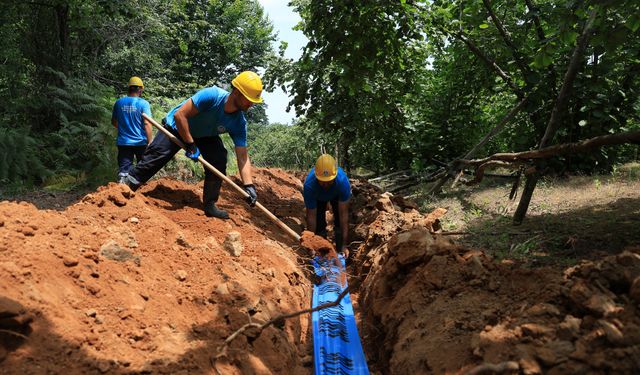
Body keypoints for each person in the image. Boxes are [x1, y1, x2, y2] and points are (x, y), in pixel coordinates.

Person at [123, 71, 262, 219]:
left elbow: (242, 157)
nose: (251, 104)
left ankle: (209, 204)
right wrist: (190, 144)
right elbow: (180, 115)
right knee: (157, 155)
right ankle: (126, 186)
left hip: (204, 135)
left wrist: (249, 185)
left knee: (218, 159)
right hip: (177, 126)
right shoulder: (212, 96)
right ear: (236, 92)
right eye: (248, 99)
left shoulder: (239, 123)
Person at [303, 154, 352, 256]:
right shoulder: (309, 185)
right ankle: (322, 251)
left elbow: (344, 216)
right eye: (322, 182)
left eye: (329, 181)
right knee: (319, 224)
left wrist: (344, 245)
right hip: (318, 198)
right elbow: (311, 217)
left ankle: (339, 251)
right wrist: (311, 244)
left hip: (336, 195)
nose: (325, 185)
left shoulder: (342, 182)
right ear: (316, 177)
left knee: (339, 220)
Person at [112, 76, 153, 183]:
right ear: (140, 89)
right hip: (141, 142)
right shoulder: (143, 103)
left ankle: (123, 189)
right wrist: (150, 142)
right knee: (143, 169)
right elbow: (147, 123)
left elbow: (114, 122)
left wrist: (124, 129)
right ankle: (141, 191)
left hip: (124, 142)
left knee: (124, 171)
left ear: (129, 88)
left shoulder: (119, 103)